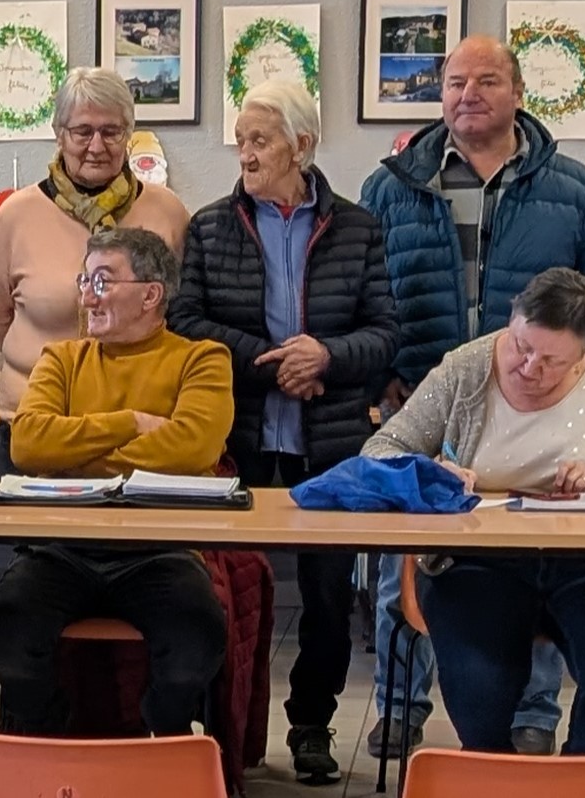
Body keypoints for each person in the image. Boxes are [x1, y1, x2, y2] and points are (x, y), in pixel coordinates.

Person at [358, 35, 585, 756]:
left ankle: (532, 713)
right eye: (454, 82)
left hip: (535, 400)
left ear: (517, 94)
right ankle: (399, 704)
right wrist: (383, 370)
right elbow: (365, 290)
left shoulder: (573, 187)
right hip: (424, 390)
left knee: (532, 549)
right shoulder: (392, 185)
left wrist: (565, 372)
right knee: (404, 557)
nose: (467, 94)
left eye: (485, 81)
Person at [168, 80, 398, 784]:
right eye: (241, 140)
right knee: (218, 585)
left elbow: (385, 331)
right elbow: (186, 322)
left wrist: (325, 356)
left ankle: (311, 724)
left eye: (260, 140)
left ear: (302, 146)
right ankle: (218, 725)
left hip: (327, 438)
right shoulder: (210, 226)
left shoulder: (357, 228)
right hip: (236, 434)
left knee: (328, 595)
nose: (245, 153)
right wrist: (274, 363)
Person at [363, 268, 585, 754]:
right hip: (477, 560)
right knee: (478, 677)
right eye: (520, 346)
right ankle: (496, 771)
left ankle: (581, 770)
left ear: (584, 354)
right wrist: (432, 472)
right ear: (512, 320)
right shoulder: (466, 367)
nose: (530, 368)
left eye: (552, 361)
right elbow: (380, 451)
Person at [0, 227, 230, 739]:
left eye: (102, 282)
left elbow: (194, 448)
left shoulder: (202, 358)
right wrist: (129, 422)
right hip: (62, 547)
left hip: (160, 549)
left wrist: (75, 455)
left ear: (151, 294)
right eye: (84, 281)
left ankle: (163, 738)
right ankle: (52, 739)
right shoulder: (61, 359)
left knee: (196, 639)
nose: (87, 297)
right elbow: (28, 444)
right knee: (7, 628)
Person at [0, 66, 190, 472]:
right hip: (38, 424)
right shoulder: (15, 216)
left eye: (111, 132)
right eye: (82, 131)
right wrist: (47, 366)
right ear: (59, 134)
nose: (97, 145)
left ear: (129, 135)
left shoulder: (168, 213)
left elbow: (180, 312)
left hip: (142, 426)